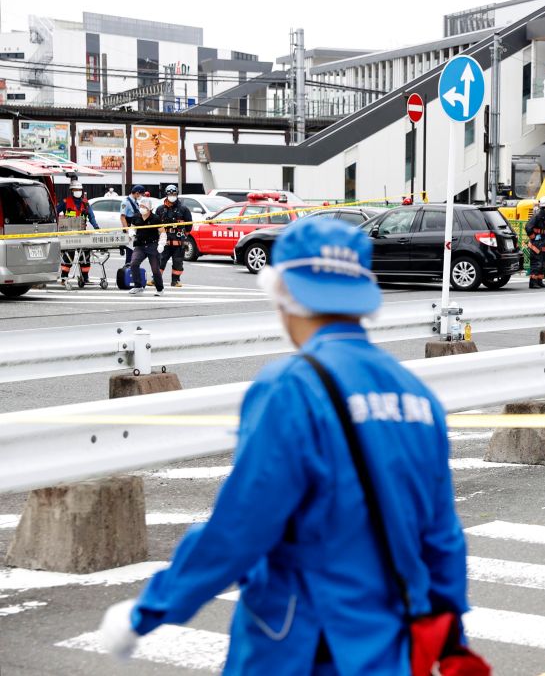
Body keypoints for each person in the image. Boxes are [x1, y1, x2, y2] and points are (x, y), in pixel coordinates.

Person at [97, 216, 474, 674]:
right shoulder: (415, 395)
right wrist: (453, 639)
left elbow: (242, 525)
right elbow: (442, 536)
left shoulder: (292, 388)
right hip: (389, 643)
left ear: (286, 294)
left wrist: (148, 612)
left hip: (302, 641)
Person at [57, 181, 99, 285]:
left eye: (79, 190)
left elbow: (91, 216)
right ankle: (64, 277)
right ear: (72, 191)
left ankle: (85, 277)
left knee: (85, 255)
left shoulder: (85, 203)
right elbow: (55, 212)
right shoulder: (65, 202)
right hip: (69, 234)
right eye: (76, 190)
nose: (78, 192)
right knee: (68, 255)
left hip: (82, 233)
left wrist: (96, 227)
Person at [154, 185, 192, 288]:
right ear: (166, 195)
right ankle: (155, 279)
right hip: (164, 241)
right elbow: (155, 224)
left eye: (174, 194)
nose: (172, 196)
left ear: (177, 194)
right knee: (160, 261)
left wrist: (183, 237)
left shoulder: (183, 209)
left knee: (178, 262)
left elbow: (189, 226)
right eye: (170, 194)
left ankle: (175, 281)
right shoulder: (160, 209)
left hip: (178, 242)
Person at [126, 201, 164, 296]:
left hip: (152, 245)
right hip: (140, 245)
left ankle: (160, 289)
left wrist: (161, 244)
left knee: (155, 269)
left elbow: (162, 232)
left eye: (144, 206)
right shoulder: (136, 217)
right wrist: (131, 232)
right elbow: (132, 227)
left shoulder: (155, 218)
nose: (142, 208)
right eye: (140, 206)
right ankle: (138, 286)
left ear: (149, 208)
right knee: (134, 263)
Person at [526, 196, 545, 289]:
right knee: (536, 263)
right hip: (536, 244)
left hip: (544, 242)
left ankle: (539, 281)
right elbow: (528, 227)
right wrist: (534, 237)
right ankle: (533, 283)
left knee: (543, 263)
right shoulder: (537, 216)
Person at [120, 185, 147, 266]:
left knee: (135, 253)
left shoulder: (135, 202)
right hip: (130, 231)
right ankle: (127, 272)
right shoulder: (126, 202)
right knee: (130, 253)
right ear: (137, 193)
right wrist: (127, 231)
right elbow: (122, 217)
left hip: (136, 231)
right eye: (142, 195)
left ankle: (132, 270)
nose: (142, 197)